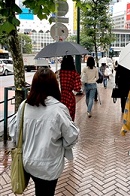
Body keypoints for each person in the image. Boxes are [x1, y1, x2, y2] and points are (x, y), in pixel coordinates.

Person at [9, 68, 79, 196]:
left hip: (28, 161)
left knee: (40, 190)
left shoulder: (24, 106)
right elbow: (71, 136)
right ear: (54, 86)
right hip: (49, 165)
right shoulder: (58, 109)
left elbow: (14, 131)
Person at [59, 55, 81, 121]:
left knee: (61, 116)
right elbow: (77, 88)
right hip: (69, 97)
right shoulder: (74, 74)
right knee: (70, 117)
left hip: (60, 96)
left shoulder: (59, 73)